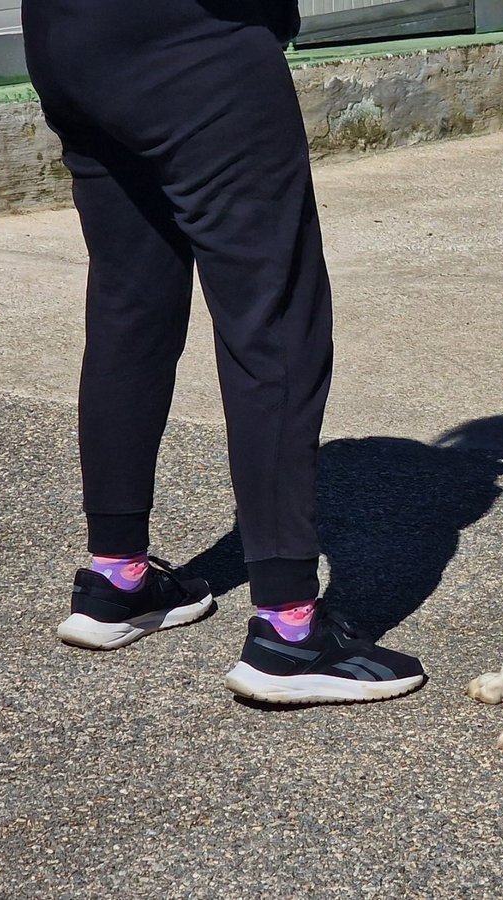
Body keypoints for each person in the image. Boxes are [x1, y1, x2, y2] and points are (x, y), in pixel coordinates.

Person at [23, 0, 424, 704]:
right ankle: (290, 632)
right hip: (192, 41)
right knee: (275, 318)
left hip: (67, 38)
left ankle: (117, 578)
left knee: (129, 304)